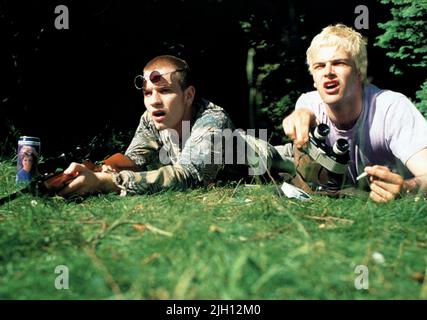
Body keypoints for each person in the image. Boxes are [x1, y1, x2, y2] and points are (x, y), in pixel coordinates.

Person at [58, 55, 293, 198]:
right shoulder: (152, 117)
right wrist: (101, 169)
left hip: (272, 161)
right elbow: (134, 160)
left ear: (188, 95)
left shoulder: (213, 119)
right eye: (147, 93)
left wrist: (108, 182)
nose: (154, 101)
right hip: (230, 176)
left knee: (298, 164)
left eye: (165, 91)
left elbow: (189, 177)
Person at [282, 24, 427, 202]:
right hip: (318, 175)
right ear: (313, 78)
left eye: (339, 63)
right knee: (258, 155)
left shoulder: (391, 108)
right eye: (319, 66)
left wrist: (406, 188)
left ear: (359, 72)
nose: (328, 72)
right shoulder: (307, 104)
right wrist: (301, 116)